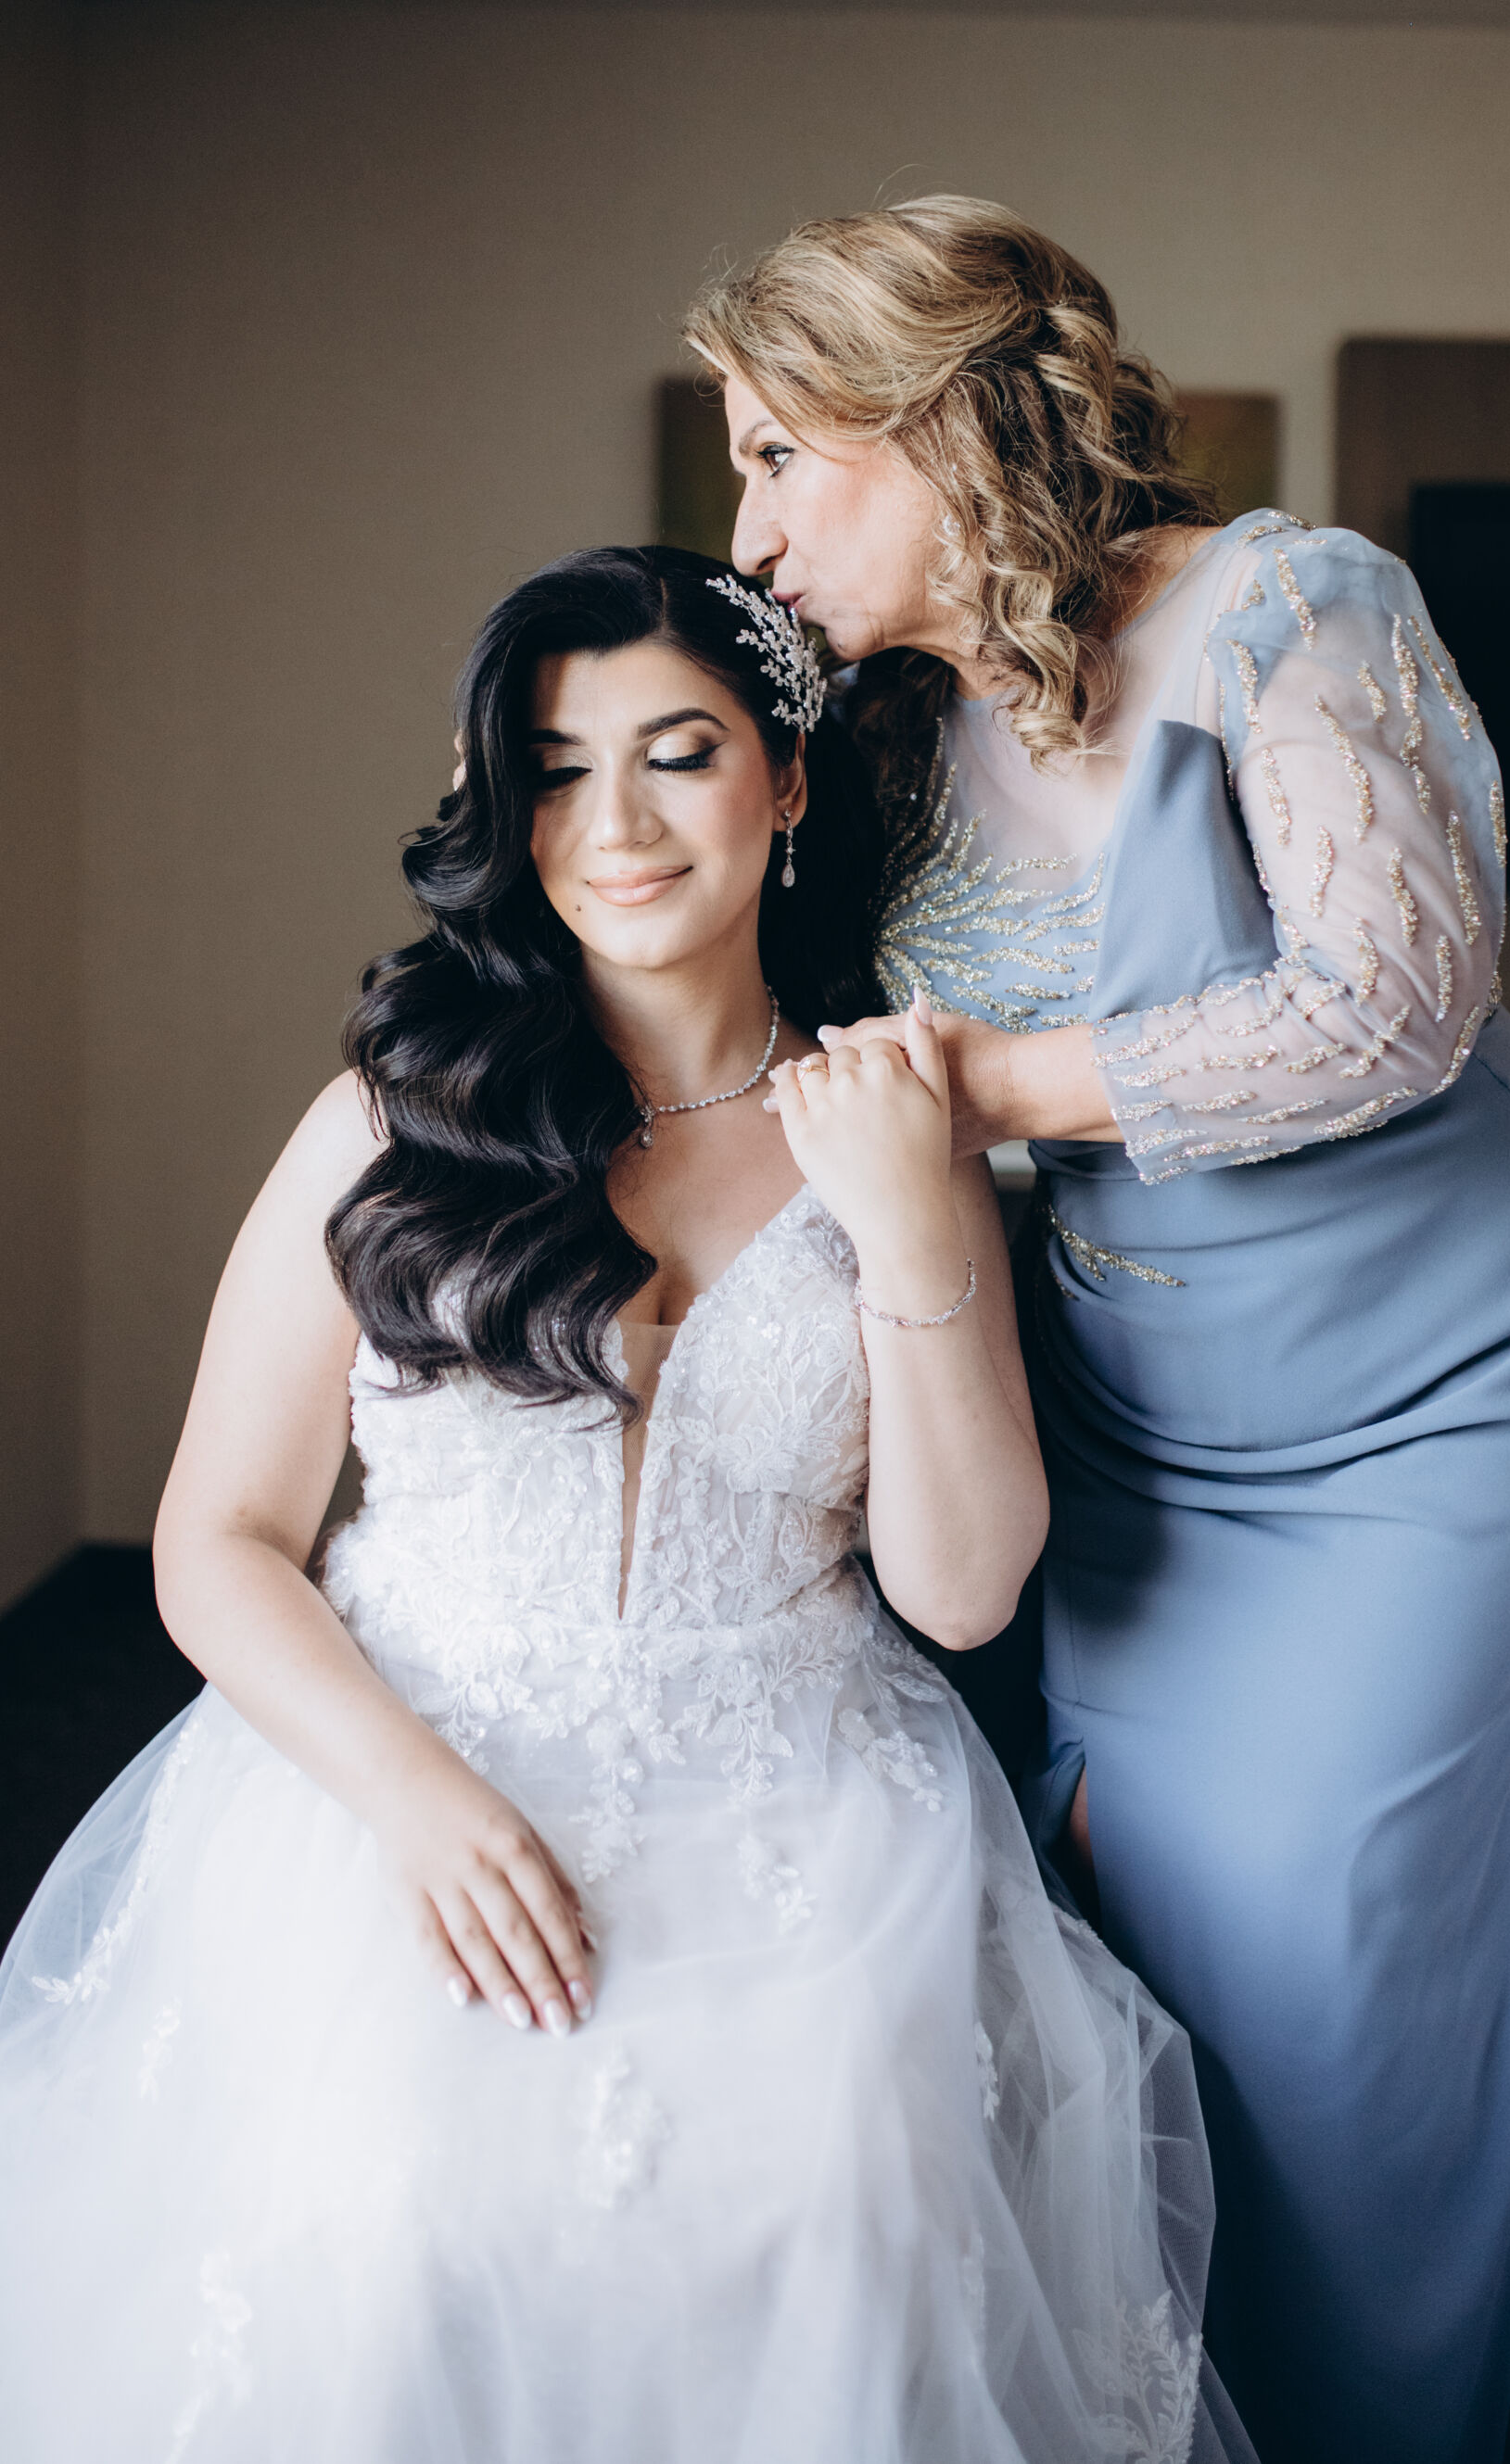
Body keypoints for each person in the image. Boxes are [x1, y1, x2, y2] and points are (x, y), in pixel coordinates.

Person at [0, 547, 1257, 2464]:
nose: (617, 825)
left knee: (836, 2230)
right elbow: (216, 1538)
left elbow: (961, 1587)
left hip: (803, 1811)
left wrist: (908, 1221)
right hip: (398, 1769)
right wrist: (418, 1801)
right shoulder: (392, 1120)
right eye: (557, 769)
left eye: (679, 753)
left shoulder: (895, 1119)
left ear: (789, 779)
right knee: (396, 2235)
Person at [687, 200, 1510, 2464]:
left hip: (1442, 1379)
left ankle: (1388, 2408)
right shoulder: (889, 723)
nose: (750, 532)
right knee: (1144, 1906)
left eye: (778, 457)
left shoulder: (1290, 606)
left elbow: (1390, 1002)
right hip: (1147, 1397)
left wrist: (974, 1091)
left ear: (934, 416)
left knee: (1334, 1925)